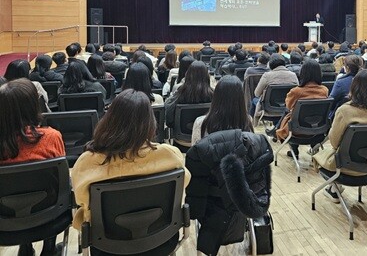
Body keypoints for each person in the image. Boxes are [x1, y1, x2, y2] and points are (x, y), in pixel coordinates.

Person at [71, 90, 190, 255]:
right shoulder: (169, 154)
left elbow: (81, 200)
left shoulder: (88, 161)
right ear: (150, 122)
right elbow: (184, 182)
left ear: (109, 120)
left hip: (107, 246)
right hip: (160, 238)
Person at [0, 78, 65, 256]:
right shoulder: (51, 137)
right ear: (33, 106)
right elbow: (59, 181)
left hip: (4, 221)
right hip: (50, 214)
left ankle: (26, 246)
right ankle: (49, 247)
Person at [313, 70, 367, 202]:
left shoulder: (344, 110)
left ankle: (334, 190)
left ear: (354, 87)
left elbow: (334, 142)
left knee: (322, 154)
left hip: (347, 167)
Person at [274, 60, 329, 158]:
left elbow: (288, 106)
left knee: (292, 119)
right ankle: (314, 148)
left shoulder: (296, 91)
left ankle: (294, 151)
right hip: (318, 130)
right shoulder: (324, 90)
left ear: (302, 73)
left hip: (296, 132)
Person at [191, 75, 253, 145]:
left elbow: (194, 151)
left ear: (216, 97)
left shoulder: (201, 123)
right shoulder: (247, 121)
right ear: (241, 99)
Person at [165, 61, 213, 128]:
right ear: (207, 76)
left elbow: (169, 116)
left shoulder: (180, 92)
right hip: (206, 134)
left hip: (181, 136)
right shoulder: (213, 94)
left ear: (188, 75)